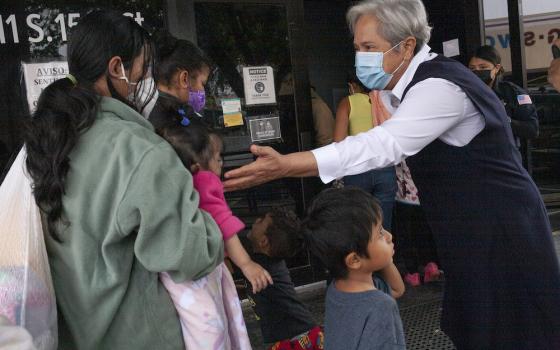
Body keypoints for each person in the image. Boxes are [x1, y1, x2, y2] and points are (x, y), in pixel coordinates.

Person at [223, 0, 560, 348]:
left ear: (407, 46)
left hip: (500, 228)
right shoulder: (411, 87)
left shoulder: (439, 87)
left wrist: (288, 164)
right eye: (357, 47)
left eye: (369, 47)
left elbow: (383, 144)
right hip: (471, 228)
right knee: (480, 327)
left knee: (514, 330)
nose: (360, 57)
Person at [23, 11, 224, 349]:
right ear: (116, 68)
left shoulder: (49, 141)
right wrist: (210, 221)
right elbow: (192, 254)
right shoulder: (140, 150)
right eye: (143, 70)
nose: (146, 80)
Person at [157, 119, 273, 349]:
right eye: (218, 159)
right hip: (200, 272)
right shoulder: (205, 180)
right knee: (215, 324)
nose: (221, 165)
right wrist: (247, 263)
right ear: (197, 165)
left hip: (175, 269)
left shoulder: (168, 182)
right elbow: (223, 222)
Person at [301, 187, 405, 350]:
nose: (389, 236)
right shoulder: (380, 306)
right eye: (379, 233)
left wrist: (385, 257)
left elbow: (396, 290)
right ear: (355, 259)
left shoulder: (337, 290)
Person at [244, 208, 323, 350]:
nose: (256, 221)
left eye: (261, 220)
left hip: (299, 338)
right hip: (301, 332)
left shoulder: (260, 266)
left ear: (263, 241)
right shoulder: (270, 262)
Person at [334, 72, 396, 229]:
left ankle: (362, 254)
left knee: (359, 226)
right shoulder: (383, 100)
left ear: (351, 86)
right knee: (383, 228)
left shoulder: (347, 102)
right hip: (386, 169)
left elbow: (339, 143)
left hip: (358, 170)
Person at [468, 45, 539, 146]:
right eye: (472, 68)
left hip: (504, 154)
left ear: (496, 68)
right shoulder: (464, 93)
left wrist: (504, 120)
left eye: (483, 67)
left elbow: (532, 129)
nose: (477, 71)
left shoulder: (513, 92)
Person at [148, 30, 211, 130]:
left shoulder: (144, 113)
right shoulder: (179, 126)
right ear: (184, 79)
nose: (203, 90)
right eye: (203, 83)